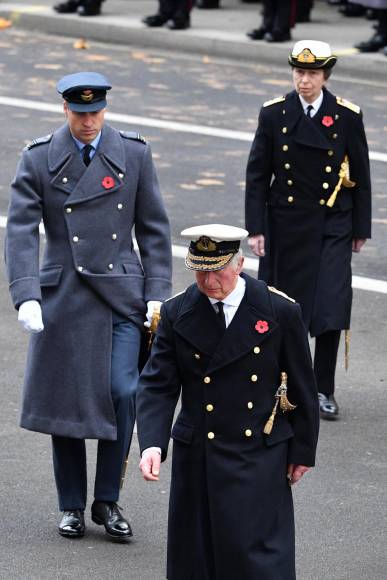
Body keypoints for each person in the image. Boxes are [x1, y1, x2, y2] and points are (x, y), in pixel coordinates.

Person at [4, 71, 172, 540]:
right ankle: (73, 505)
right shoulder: (39, 158)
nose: (88, 121)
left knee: (123, 390)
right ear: (65, 110)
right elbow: (20, 228)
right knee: (68, 403)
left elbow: (153, 227)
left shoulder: (134, 153)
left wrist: (158, 290)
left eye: (95, 112)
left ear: (105, 109)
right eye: (80, 113)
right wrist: (26, 292)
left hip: (120, 292)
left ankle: (107, 499)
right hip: (65, 294)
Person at [137, 224, 319, 580]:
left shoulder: (279, 311)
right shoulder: (177, 313)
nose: (207, 281)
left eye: (216, 270)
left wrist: (302, 452)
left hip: (259, 453)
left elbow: (302, 386)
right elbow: (158, 385)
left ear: (239, 264)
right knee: (198, 557)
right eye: (200, 271)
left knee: (257, 558)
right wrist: (152, 445)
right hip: (199, 456)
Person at [245, 40, 372, 420]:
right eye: (299, 73)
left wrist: (360, 227)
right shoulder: (273, 114)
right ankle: (281, 383)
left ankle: (322, 388)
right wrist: (256, 228)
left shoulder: (347, 116)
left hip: (332, 222)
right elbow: (257, 174)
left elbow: (361, 175)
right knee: (285, 308)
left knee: (331, 305)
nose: (304, 81)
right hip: (286, 222)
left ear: (325, 77)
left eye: (312, 74)